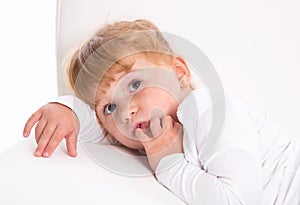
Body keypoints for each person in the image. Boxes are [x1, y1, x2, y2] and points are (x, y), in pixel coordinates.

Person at [23, 19, 300, 204]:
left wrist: (168, 160)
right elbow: (94, 129)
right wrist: (66, 109)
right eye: (109, 107)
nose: (126, 111)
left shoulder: (206, 108)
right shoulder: (139, 135)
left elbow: (238, 200)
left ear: (179, 72)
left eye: (134, 84)